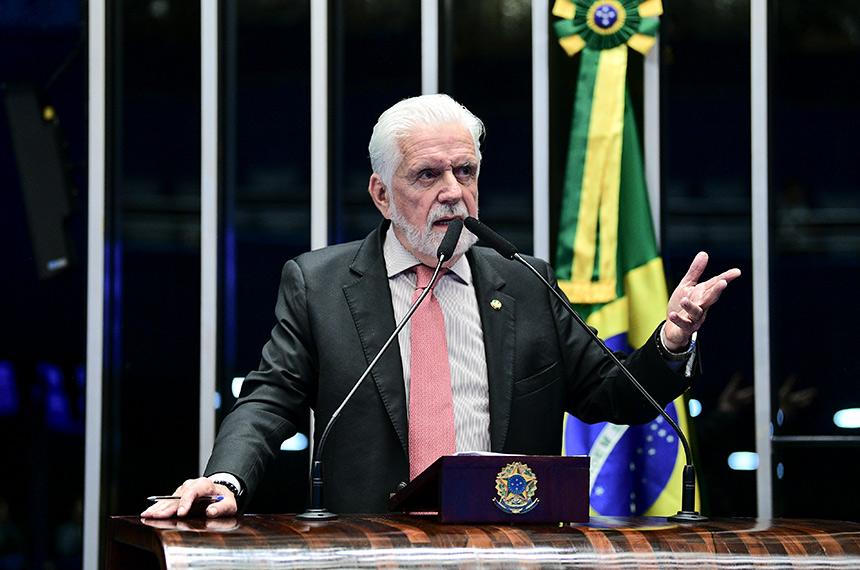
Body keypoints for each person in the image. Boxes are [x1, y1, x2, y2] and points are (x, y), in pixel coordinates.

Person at [142, 93, 740, 519]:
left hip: (510, 546)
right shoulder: (319, 284)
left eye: (466, 171)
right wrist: (226, 479)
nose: (453, 192)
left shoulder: (524, 280)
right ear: (382, 193)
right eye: (428, 174)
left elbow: (612, 395)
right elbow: (270, 399)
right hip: (369, 549)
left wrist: (671, 340)